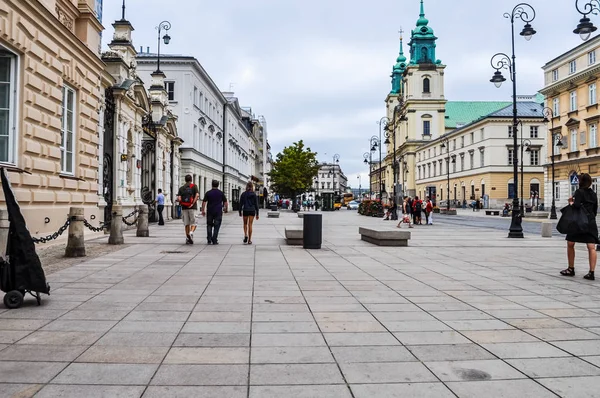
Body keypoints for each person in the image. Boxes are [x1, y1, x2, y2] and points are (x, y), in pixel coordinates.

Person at [561, 173, 599, 280]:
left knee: (570, 243)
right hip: (590, 222)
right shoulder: (593, 194)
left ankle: (571, 268)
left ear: (580, 182)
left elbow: (576, 206)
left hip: (578, 223)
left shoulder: (578, 192)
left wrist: (571, 203)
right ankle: (591, 272)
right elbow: (595, 209)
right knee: (591, 247)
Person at [201, 180, 228, 245]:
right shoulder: (221, 193)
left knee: (209, 225)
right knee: (217, 225)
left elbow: (204, 202)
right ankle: (214, 239)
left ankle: (209, 239)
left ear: (212, 185)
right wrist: (225, 209)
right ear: (218, 185)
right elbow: (225, 202)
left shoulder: (208, 193)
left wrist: (203, 210)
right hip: (218, 211)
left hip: (210, 211)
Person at [177, 174, 199, 244]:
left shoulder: (181, 188)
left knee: (186, 223)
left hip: (184, 208)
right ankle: (191, 232)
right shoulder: (194, 186)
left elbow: (179, 198)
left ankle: (187, 238)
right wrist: (192, 203)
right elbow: (197, 195)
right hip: (192, 207)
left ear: (185, 180)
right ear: (191, 179)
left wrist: (181, 203)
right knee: (194, 222)